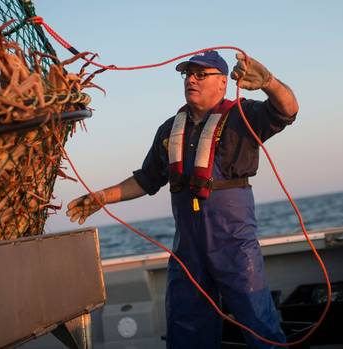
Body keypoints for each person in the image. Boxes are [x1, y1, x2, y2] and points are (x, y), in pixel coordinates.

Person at [67, 50, 299, 349]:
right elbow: (146, 179)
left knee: (258, 322)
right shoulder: (169, 130)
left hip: (234, 244)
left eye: (201, 74)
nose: (191, 79)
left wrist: (269, 82)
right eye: (187, 74)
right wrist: (102, 197)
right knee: (186, 329)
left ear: (222, 84)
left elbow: (288, 110)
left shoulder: (243, 116)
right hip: (187, 250)